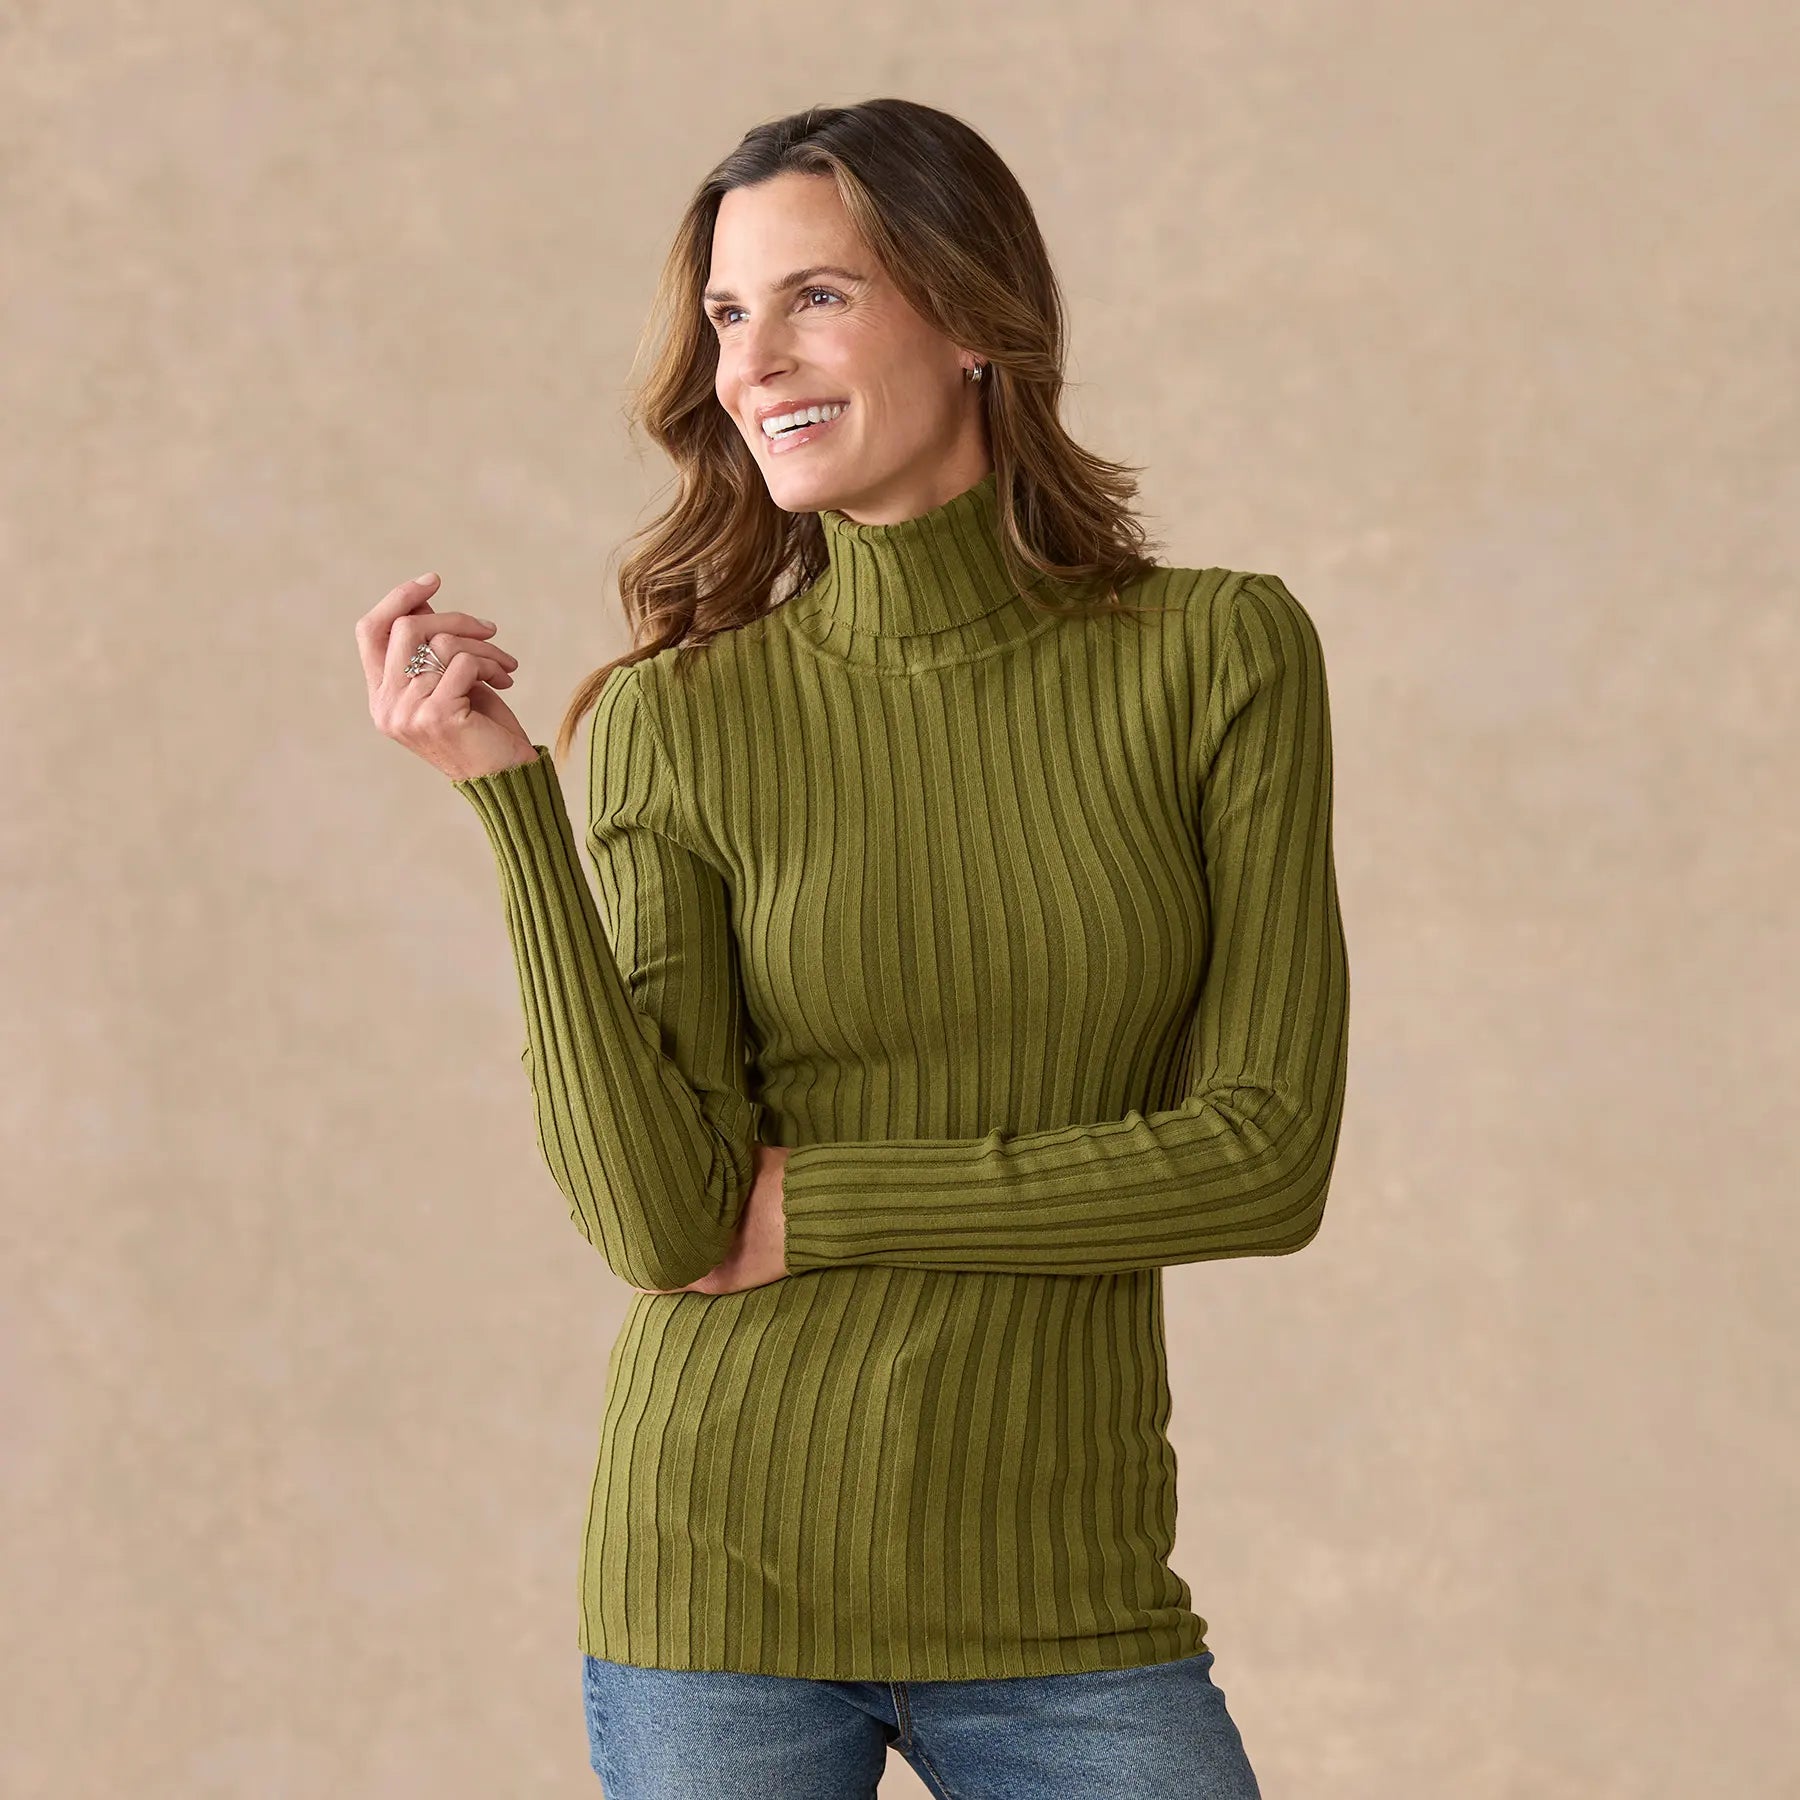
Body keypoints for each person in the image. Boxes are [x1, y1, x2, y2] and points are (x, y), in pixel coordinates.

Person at [358, 96, 1348, 1800]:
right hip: (712, 1576)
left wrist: (818, 1202)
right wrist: (513, 809)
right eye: (729, 315)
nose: (752, 364)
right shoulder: (679, 715)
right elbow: (661, 1217)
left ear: (971, 318)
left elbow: (1265, 1160)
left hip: (1064, 1588)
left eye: (816, 297)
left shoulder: (1218, 656)